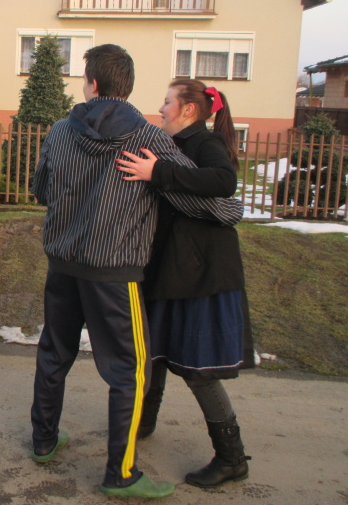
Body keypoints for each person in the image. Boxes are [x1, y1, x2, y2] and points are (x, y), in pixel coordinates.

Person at [29, 44, 244, 499]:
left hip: (64, 266)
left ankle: (44, 440)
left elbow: (41, 189)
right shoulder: (149, 139)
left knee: (54, 353)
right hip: (115, 273)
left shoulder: (60, 132)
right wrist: (230, 211)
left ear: (92, 84)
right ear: (126, 87)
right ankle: (121, 473)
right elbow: (193, 196)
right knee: (129, 371)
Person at [115, 79, 253, 488]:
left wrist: (159, 172)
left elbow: (224, 182)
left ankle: (231, 458)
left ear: (188, 109)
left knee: (199, 370)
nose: (161, 108)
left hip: (201, 274)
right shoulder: (170, 144)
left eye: (167, 101)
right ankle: (143, 424)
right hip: (169, 270)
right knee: (153, 354)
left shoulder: (204, 143)